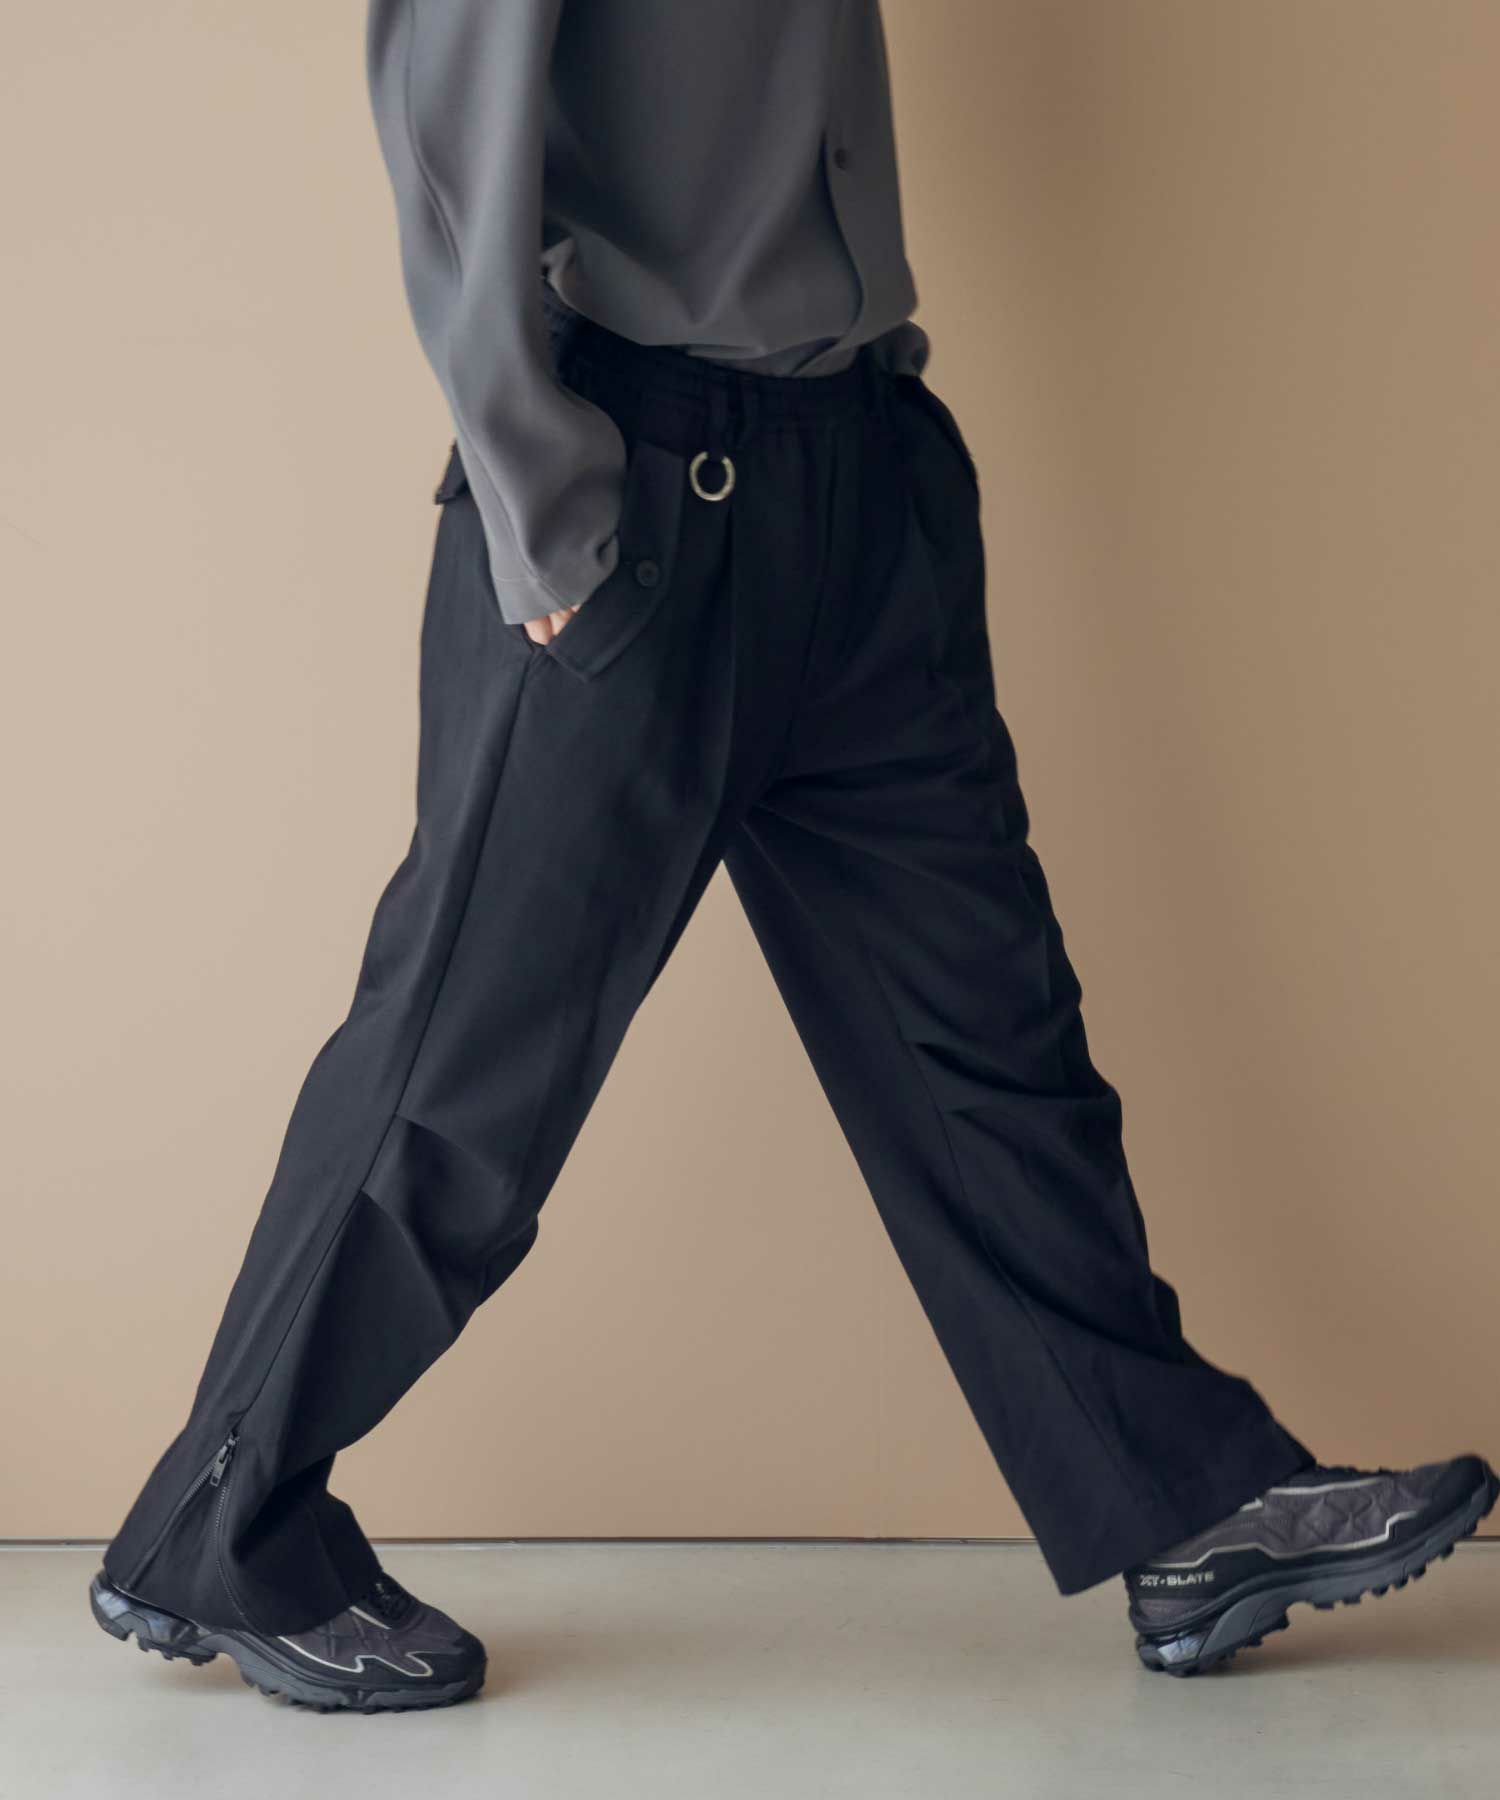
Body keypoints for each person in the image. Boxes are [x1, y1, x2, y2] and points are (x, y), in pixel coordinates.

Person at [89, 1, 1495, 1712]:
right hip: (636, 507)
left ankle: (1185, 1505)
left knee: (988, 1044)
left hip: (860, 477)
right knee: (460, 1083)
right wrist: (545, 511)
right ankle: (217, 1531)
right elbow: (447, 123)